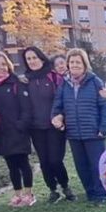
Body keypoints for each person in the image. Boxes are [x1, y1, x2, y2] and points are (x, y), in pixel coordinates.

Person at [52, 48, 106, 204]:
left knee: (97, 166)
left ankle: (101, 195)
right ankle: (90, 192)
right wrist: (56, 117)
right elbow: (57, 106)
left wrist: (103, 128)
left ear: (85, 64)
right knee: (81, 167)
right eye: (71, 62)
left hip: (93, 133)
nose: (74, 65)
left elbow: (105, 108)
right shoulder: (64, 85)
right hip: (74, 134)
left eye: (78, 62)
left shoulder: (94, 82)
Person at [22, 47, 75, 203]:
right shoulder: (24, 80)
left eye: (34, 57)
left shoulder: (53, 77)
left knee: (55, 160)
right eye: (28, 59)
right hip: (36, 128)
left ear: (42, 58)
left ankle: (65, 186)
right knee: (44, 161)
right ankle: (53, 189)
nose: (32, 61)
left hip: (54, 126)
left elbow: (64, 99)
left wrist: (61, 117)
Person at [0, 52, 35, 207]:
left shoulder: (16, 83)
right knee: (11, 165)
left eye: (3, 64)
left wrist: (21, 125)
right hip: (2, 133)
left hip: (18, 131)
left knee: (23, 163)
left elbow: (26, 108)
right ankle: (17, 193)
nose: (1, 67)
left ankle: (28, 194)